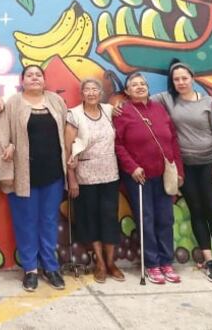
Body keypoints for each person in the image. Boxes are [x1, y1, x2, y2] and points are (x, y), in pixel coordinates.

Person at [156, 60, 212, 286]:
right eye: (176, 79)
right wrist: (118, 107)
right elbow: (139, 100)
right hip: (186, 167)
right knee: (197, 211)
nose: (181, 82)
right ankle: (209, 261)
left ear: (192, 78)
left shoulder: (208, 102)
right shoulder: (167, 99)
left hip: (209, 164)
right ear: (172, 82)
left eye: (184, 78)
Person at [0, 64, 68, 293]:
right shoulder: (13, 103)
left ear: (44, 80)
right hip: (23, 175)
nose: (34, 78)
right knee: (25, 223)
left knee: (49, 221)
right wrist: (7, 160)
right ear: (22, 81)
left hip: (53, 174)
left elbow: (67, 131)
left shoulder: (56, 101)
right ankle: (30, 269)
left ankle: (50, 267)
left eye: (38, 75)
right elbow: (1, 135)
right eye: (29, 75)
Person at [114, 71, 184, 286]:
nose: (139, 87)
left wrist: (178, 170)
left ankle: (166, 262)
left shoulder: (159, 109)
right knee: (146, 220)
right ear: (127, 91)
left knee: (165, 219)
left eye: (142, 84)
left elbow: (173, 140)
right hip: (140, 177)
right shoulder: (123, 112)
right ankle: (152, 264)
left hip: (164, 174)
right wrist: (132, 167)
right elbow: (118, 145)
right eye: (134, 85)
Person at [65, 78, 124, 283]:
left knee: (109, 217)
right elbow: (68, 149)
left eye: (94, 89)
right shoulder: (74, 114)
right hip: (85, 175)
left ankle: (111, 262)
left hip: (110, 173)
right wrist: (72, 179)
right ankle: (99, 263)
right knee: (90, 219)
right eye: (87, 90)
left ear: (100, 93)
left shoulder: (108, 110)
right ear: (81, 94)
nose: (91, 93)